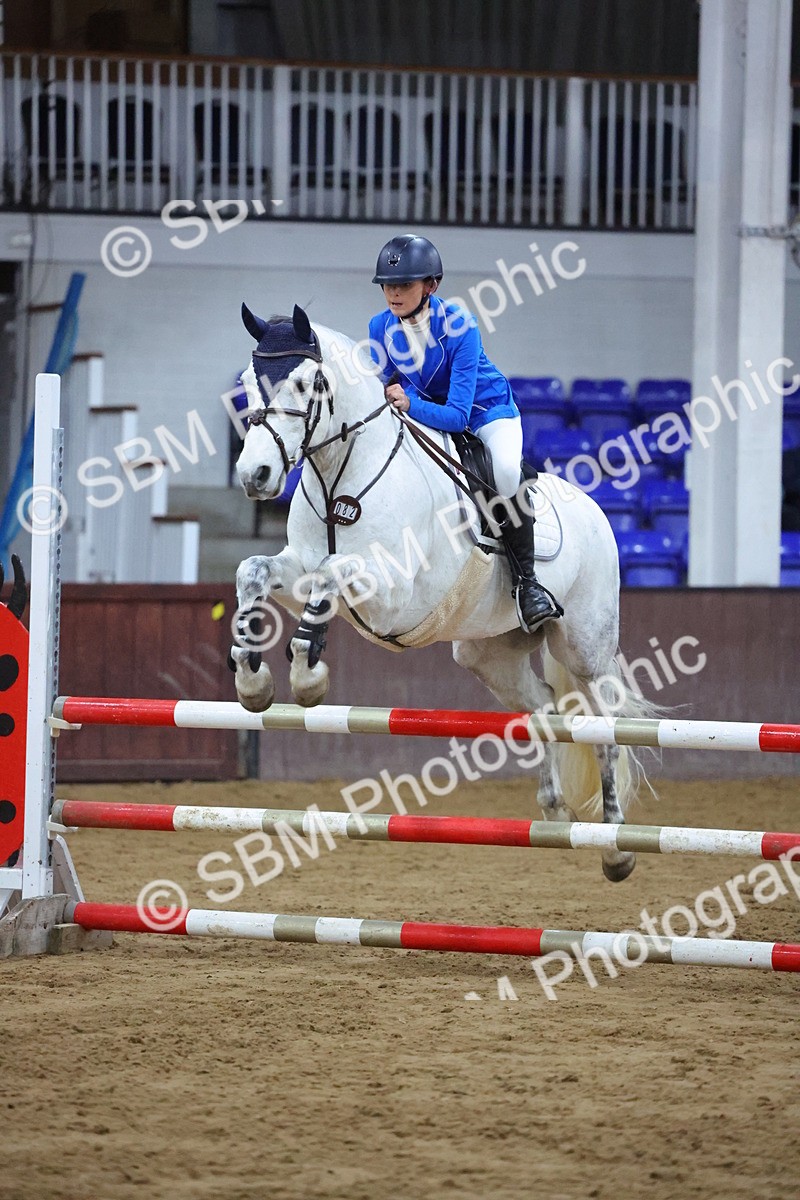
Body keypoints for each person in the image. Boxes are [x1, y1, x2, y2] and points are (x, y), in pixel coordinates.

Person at [368, 233, 561, 634]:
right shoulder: (380, 326)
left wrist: (408, 404)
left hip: (485, 412)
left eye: (404, 284)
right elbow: (380, 383)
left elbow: (457, 417)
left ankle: (528, 583)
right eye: (388, 285)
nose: (393, 293)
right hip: (424, 411)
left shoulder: (459, 325)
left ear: (431, 286)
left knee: (506, 471)